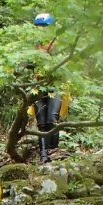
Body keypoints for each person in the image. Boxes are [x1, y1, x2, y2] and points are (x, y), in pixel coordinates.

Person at [30, 12, 70, 163]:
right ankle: (43, 155)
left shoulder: (58, 46)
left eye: (44, 26)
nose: (42, 29)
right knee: (41, 121)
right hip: (38, 86)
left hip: (56, 85)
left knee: (52, 118)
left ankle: (53, 150)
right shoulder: (35, 46)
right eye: (39, 27)